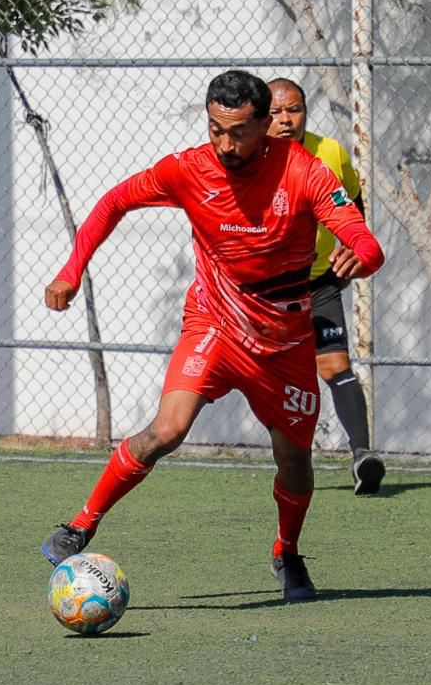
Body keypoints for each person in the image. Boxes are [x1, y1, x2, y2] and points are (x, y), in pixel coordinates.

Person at [39, 70, 384, 602]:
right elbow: (113, 202)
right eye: (215, 129)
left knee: (294, 460)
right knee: (167, 430)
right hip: (214, 325)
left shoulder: (305, 171)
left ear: (265, 125)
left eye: (239, 132)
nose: (225, 144)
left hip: (285, 343)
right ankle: (81, 525)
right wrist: (72, 269)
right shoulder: (188, 168)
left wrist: (361, 255)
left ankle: (287, 554)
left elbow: (365, 240)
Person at [265, 77, 386, 495]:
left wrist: (353, 244)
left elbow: (353, 204)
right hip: (264, 291)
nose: (285, 120)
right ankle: (290, 465)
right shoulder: (249, 159)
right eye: (275, 112)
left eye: (294, 110)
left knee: (335, 365)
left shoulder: (330, 152)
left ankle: (362, 456)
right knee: (265, 378)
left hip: (318, 284)